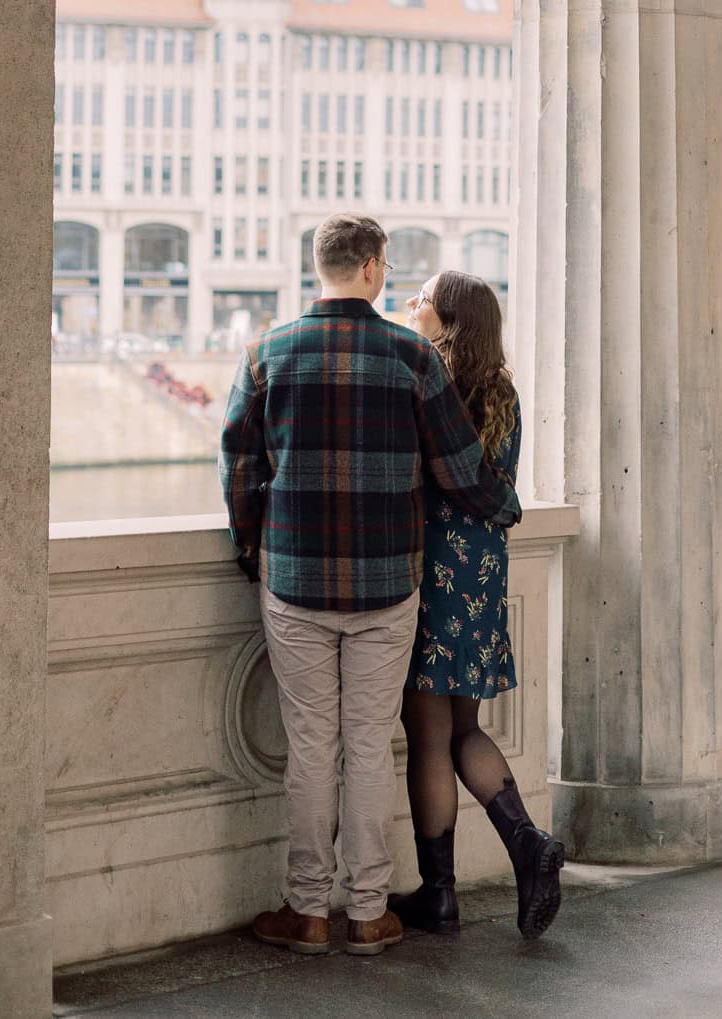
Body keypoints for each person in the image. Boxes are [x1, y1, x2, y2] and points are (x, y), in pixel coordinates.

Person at [220, 215, 521, 958]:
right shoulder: (413, 357)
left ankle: (308, 911)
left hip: (295, 581)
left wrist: (250, 544)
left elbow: (239, 463)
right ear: (376, 268)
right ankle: (366, 911)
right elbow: (459, 467)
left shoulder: (265, 352)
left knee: (311, 746)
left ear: (319, 265)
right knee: (366, 746)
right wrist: (503, 505)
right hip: (389, 585)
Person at [389, 270, 563, 940]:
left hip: (433, 571)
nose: (413, 305)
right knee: (464, 726)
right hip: (483, 573)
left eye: (423, 299)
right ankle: (525, 842)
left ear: (452, 318)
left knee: (429, 735)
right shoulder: (502, 390)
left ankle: (439, 895)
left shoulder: (427, 381)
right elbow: (497, 486)